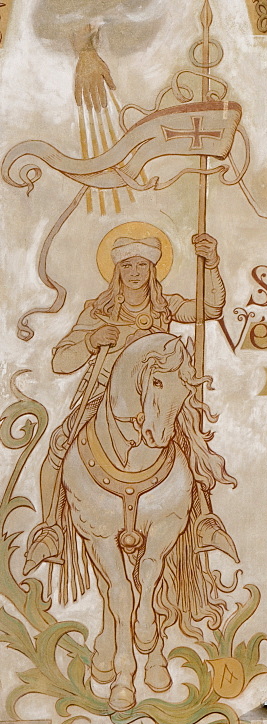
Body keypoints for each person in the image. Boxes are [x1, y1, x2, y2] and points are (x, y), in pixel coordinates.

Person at [24, 231, 234, 573]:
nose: (134, 272)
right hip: (104, 396)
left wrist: (210, 263)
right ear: (116, 270)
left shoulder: (167, 307)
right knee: (60, 444)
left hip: (158, 398)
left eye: (142, 264)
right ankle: (51, 529)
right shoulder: (99, 312)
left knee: (194, 444)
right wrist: (92, 340)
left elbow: (210, 308)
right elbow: (60, 362)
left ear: (153, 270)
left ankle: (204, 521)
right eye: (126, 265)